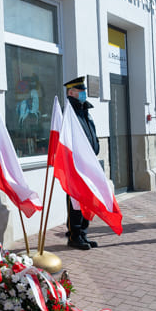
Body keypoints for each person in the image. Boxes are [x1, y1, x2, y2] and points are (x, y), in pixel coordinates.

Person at [64, 76, 100, 250]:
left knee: (87, 200)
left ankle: (83, 234)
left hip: (89, 164)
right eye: (81, 91)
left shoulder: (84, 110)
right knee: (76, 201)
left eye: (84, 90)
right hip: (76, 165)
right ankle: (74, 235)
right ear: (71, 92)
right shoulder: (69, 112)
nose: (84, 93)